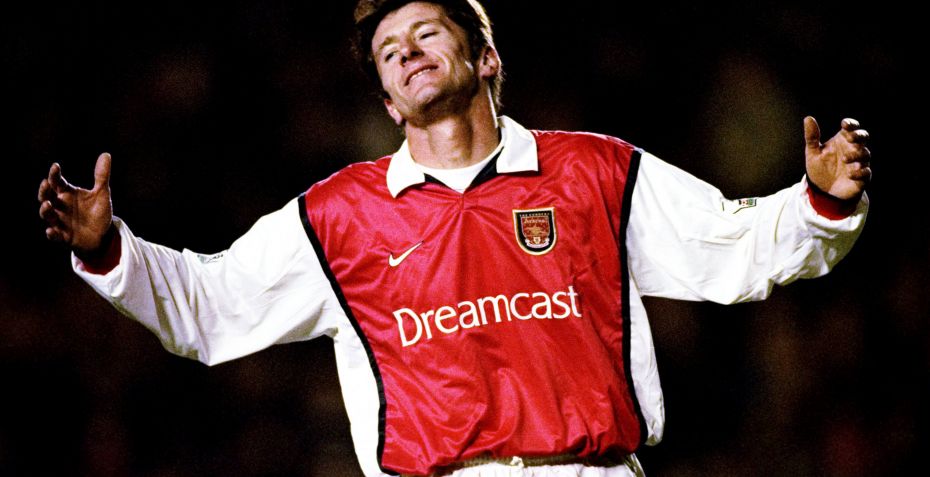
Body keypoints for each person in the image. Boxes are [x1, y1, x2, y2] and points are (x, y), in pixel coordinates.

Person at [37, 0, 871, 476]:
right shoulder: (339, 214)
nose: (406, 53)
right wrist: (112, 249)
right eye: (388, 52)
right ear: (387, 101)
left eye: (426, 33)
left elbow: (736, 247)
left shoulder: (594, 171)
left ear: (487, 57)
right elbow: (209, 307)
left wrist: (820, 202)